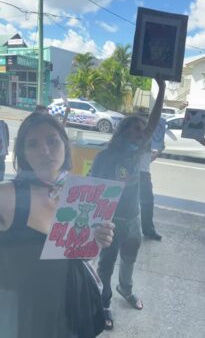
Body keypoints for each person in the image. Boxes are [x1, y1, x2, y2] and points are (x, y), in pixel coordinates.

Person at [0, 112, 115, 338]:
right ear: (23, 153)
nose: (45, 150)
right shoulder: (7, 196)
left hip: (70, 307)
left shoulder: (83, 196)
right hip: (22, 315)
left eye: (52, 140)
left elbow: (80, 256)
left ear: (65, 144)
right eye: (33, 144)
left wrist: (100, 239)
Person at [91, 77, 166, 330]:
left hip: (133, 218)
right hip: (110, 222)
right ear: (123, 131)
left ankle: (125, 289)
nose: (143, 133)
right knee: (106, 264)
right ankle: (103, 303)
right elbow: (92, 189)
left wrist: (163, 88)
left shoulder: (137, 151)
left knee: (130, 256)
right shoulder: (105, 156)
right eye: (137, 129)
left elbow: (154, 125)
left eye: (144, 130)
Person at [140, 143, 162, 241]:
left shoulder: (151, 137)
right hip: (134, 170)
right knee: (146, 202)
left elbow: (147, 161)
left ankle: (148, 230)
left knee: (147, 202)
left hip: (144, 172)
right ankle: (148, 230)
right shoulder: (138, 133)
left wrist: (158, 152)